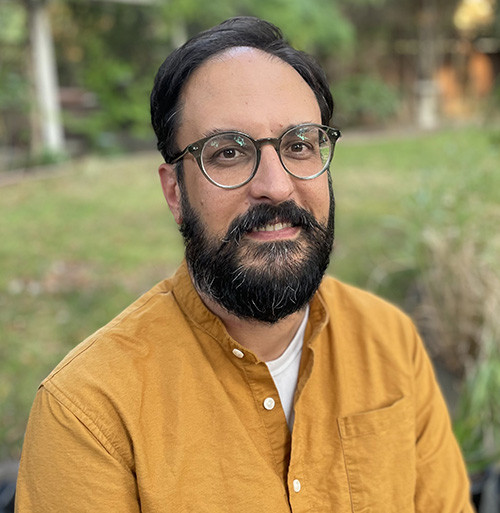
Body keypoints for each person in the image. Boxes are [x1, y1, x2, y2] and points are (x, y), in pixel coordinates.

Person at [15, 16, 473, 513]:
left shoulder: (390, 342)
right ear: (175, 193)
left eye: (299, 145)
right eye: (229, 152)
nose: (276, 186)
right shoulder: (89, 414)